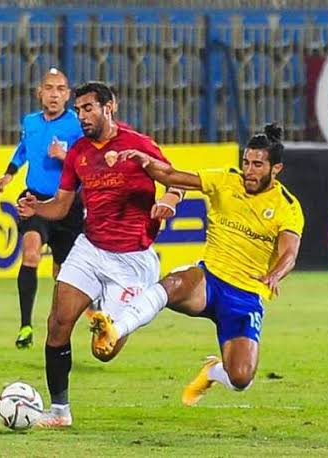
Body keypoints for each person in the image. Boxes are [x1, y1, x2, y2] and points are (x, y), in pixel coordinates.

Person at [90, 123, 304, 407]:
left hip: (245, 297)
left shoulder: (287, 206)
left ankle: (213, 371)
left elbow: (289, 253)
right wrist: (145, 161)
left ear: (276, 169)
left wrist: (275, 274)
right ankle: (115, 329)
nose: (249, 171)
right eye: (246, 162)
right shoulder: (227, 180)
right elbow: (172, 176)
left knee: (240, 378)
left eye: (257, 165)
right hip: (208, 281)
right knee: (172, 284)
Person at [17, 81, 184, 427]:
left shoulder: (138, 144)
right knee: (57, 323)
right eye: (78, 110)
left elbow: (175, 180)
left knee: (102, 351)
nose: (82, 116)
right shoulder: (78, 152)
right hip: (91, 249)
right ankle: (59, 412)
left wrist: (168, 201)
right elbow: (61, 206)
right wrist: (37, 208)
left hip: (133, 260)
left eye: (89, 108)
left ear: (110, 107)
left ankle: (128, 313)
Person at [0, 68, 84, 350]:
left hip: (67, 204)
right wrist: (9, 174)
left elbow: (88, 162)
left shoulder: (77, 125)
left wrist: (64, 156)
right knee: (31, 252)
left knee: (62, 274)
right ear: (39, 93)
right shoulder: (30, 122)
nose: (54, 94)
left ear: (67, 95)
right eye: (49, 88)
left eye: (60, 89)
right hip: (36, 200)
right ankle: (25, 326)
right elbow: (23, 149)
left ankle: (59, 325)